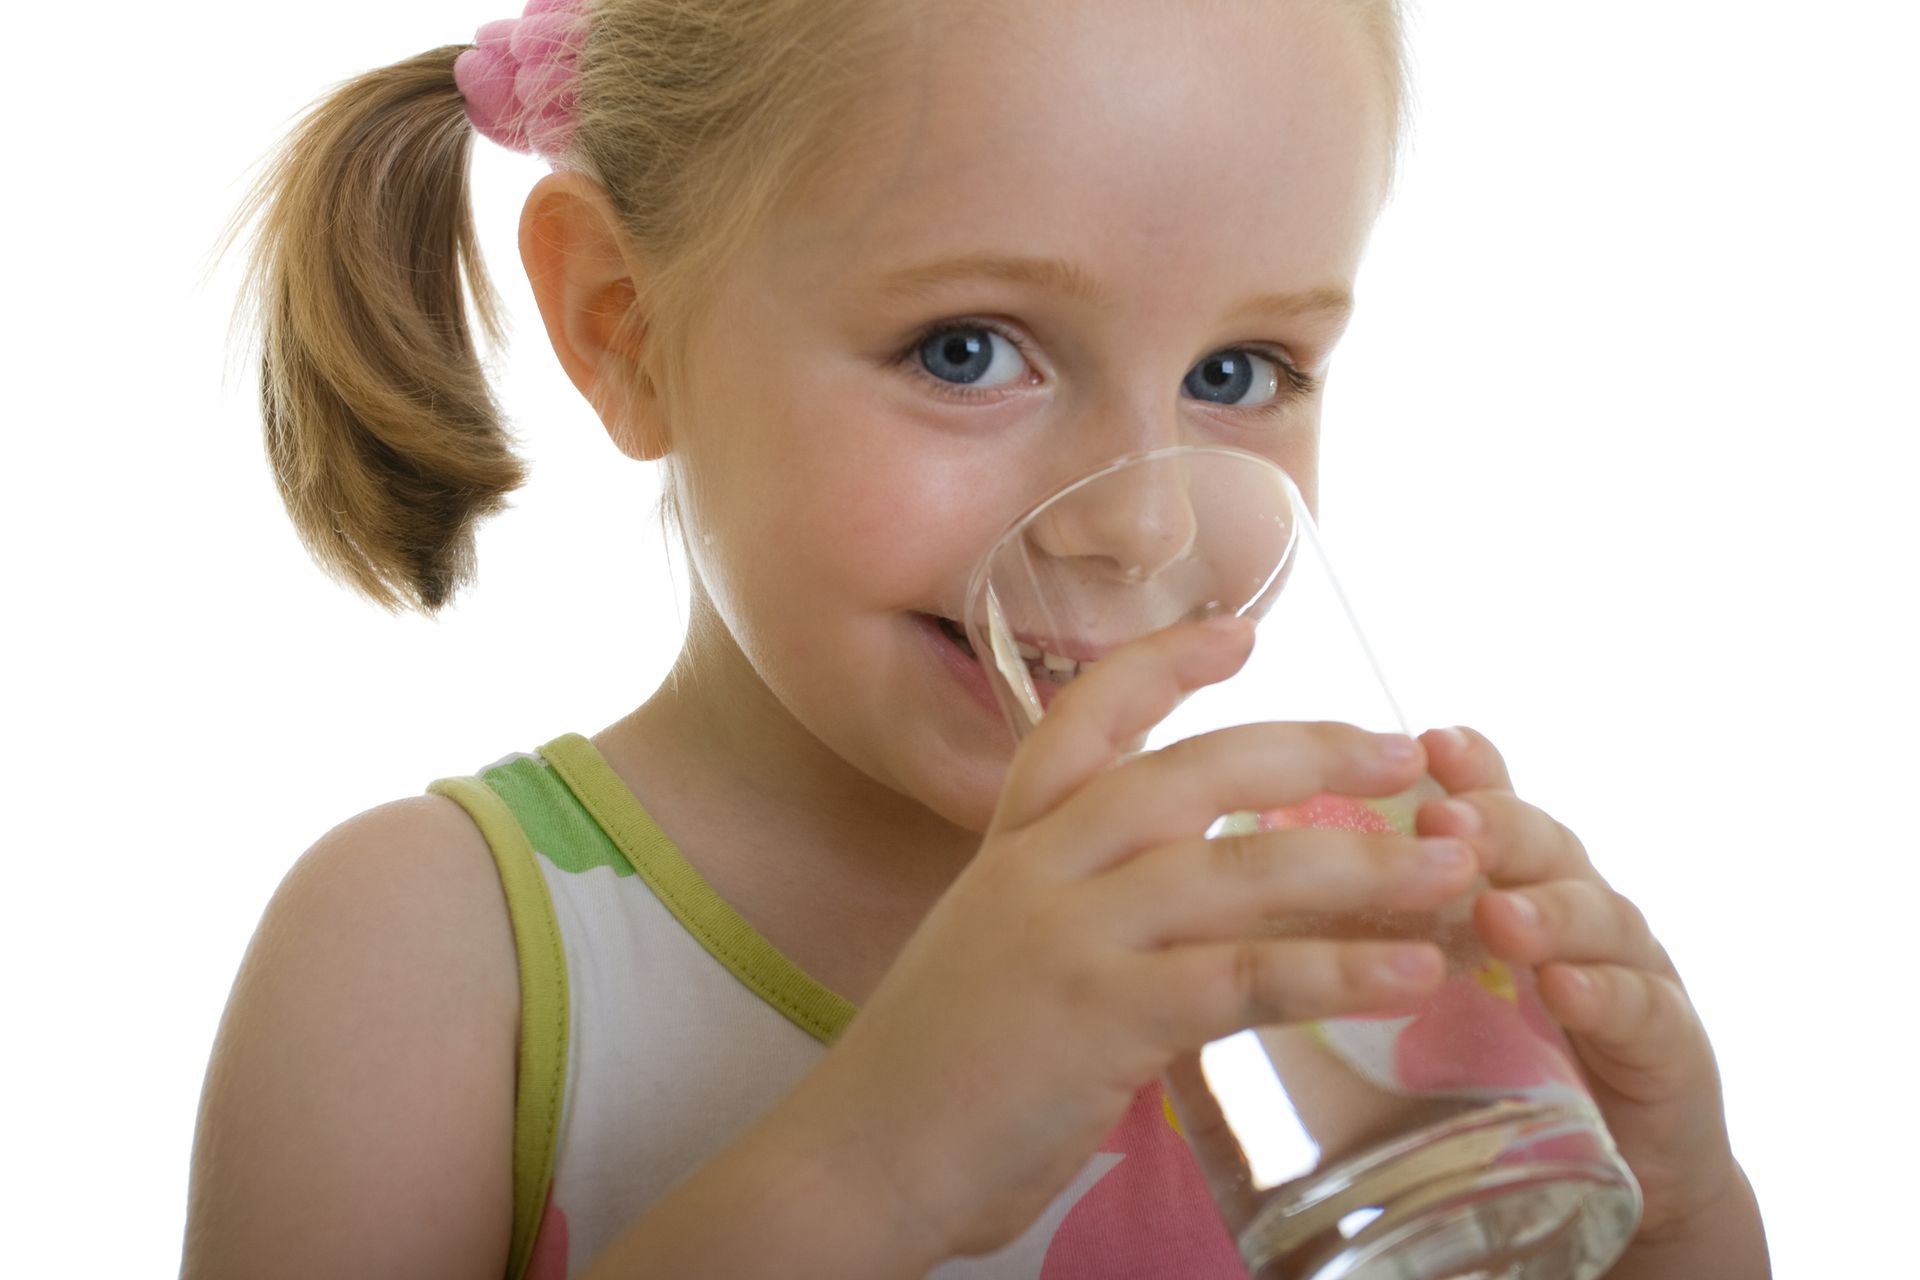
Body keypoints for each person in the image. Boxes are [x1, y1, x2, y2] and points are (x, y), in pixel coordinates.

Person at [183, 1, 1770, 1276]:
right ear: (624, 324)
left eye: (1242, 371)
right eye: (969, 349)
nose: (1142, 525)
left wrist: (1682, 1213)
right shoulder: (433, 963)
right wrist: (869, 1165)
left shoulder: (1338, 938)